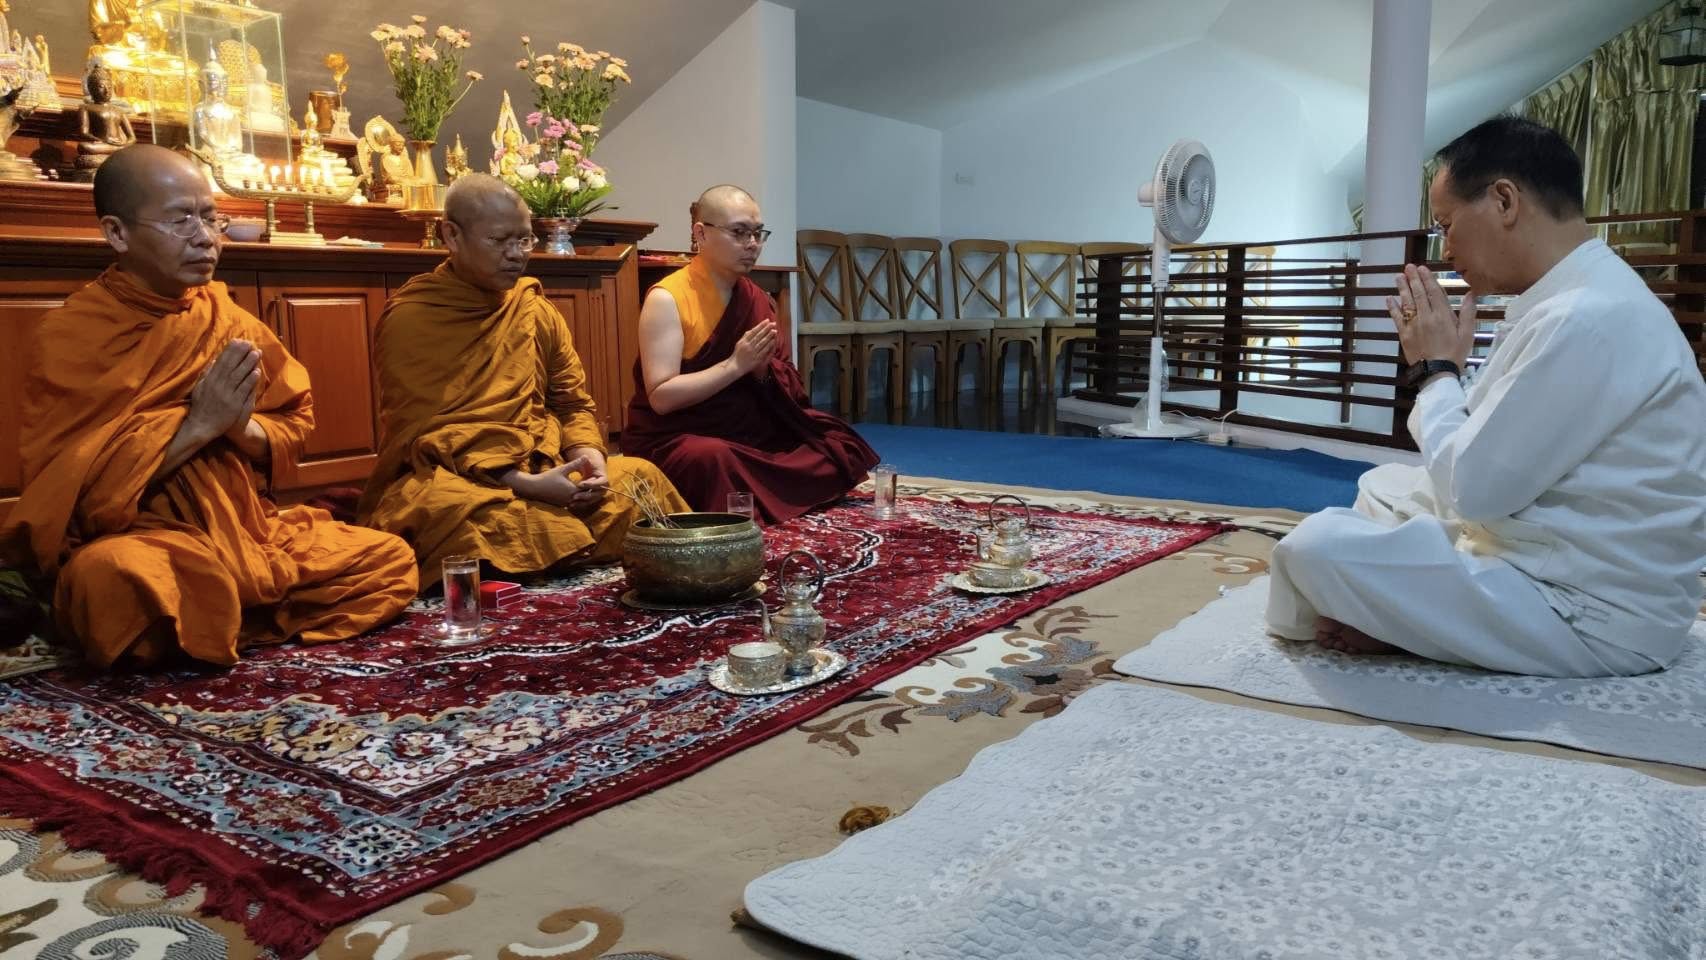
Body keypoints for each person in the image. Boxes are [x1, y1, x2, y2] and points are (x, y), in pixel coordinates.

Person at [1266, 116, 1706, 678]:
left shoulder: (1587, 317)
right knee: (1383, 485)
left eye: (1446, 225)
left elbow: (1473, 491)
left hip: (1587, 611)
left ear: (1504, 201)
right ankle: (1405, 617)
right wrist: (1448, 373)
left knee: (1316, 548)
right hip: (1541, 549)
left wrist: (1434, 372)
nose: (1446, 248)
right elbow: (1481, 449)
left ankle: (1392, 618)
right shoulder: (1571, 297)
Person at [1, 144, 417, 668]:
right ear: (117, 233)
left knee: (390, 557)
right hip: (144, 538)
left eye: (210, 218)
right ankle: (224, 609)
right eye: (181, 221)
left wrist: (239, 427)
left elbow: (292, 422)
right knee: (109, 578)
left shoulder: (226, 319)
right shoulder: (71, 336)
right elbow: (75, 502)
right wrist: (198, 426)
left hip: (245, 530)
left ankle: (215, 614)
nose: (205, 237)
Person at [358, 174, 687, 580]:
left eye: (525, 240)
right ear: (452, 235)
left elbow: (570, 402)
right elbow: (426, 436)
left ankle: (556, 548)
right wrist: (524, 483)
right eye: (499, 241)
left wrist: (589, 458)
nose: (516, 255)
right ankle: (562, 548)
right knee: (454, 513)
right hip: (459, 478)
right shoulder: (412, 318)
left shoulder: (533, 308)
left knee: (640, 478)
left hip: (545, 461)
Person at [623, 185, 879, 524]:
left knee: (838, 445)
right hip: (678, 437)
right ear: (701, 233)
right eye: (739, 233)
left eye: (758, 234)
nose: (752, 244)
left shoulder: (756, 298)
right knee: (712, 459)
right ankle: (756, 502)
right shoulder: (667, 298)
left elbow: (788, 387)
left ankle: (755, 497)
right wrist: (734, 365)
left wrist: (762, 371)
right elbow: (661, 397)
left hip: (746, 429)